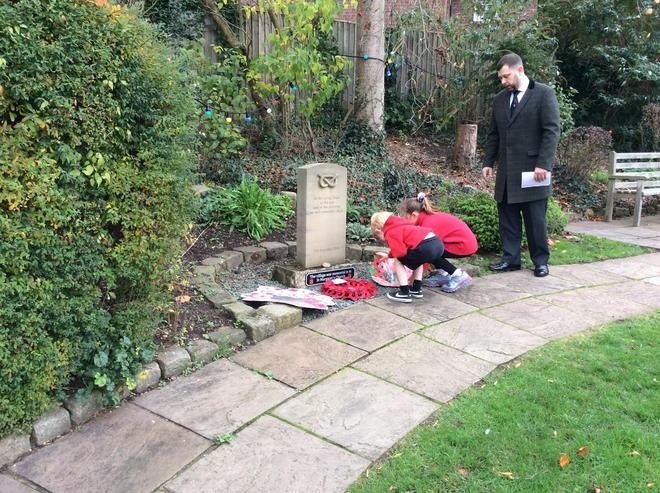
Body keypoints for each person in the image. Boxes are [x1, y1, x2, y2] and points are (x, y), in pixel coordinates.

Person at [482, 52, 560, 278]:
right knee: (508, 217)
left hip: (534, 170)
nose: (503, 81)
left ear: (520, 70)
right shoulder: (499, 99)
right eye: (500, 78)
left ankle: (540, 262)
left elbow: (552, 131)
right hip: (507, 171)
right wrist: (488, 161)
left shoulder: (544, 93)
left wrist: (543, 164)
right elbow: (493, 134)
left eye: (506, 76)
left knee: (535, 219)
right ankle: (510, 259)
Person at [399, 192, 477, 292]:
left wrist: (412, 278)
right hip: (461, 242)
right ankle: (444, 275)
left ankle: (458, 275)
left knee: (429, 252)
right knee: (432, 249)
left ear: (413, 215)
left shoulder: (428, 223)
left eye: (405, 218)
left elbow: (425, 251)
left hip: (464, 245)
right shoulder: (426, 217)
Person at [370, 211, 446, 303]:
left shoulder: (389, 232)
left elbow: (400, 252)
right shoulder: (401, 224)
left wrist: (392, 257)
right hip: (437, 243)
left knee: (398, 261)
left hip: (425, 246)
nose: (383, 239)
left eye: (379, 236)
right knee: (418, 260)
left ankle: (404, 292)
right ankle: (416, 289)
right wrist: (389, 255)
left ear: (379, 231)